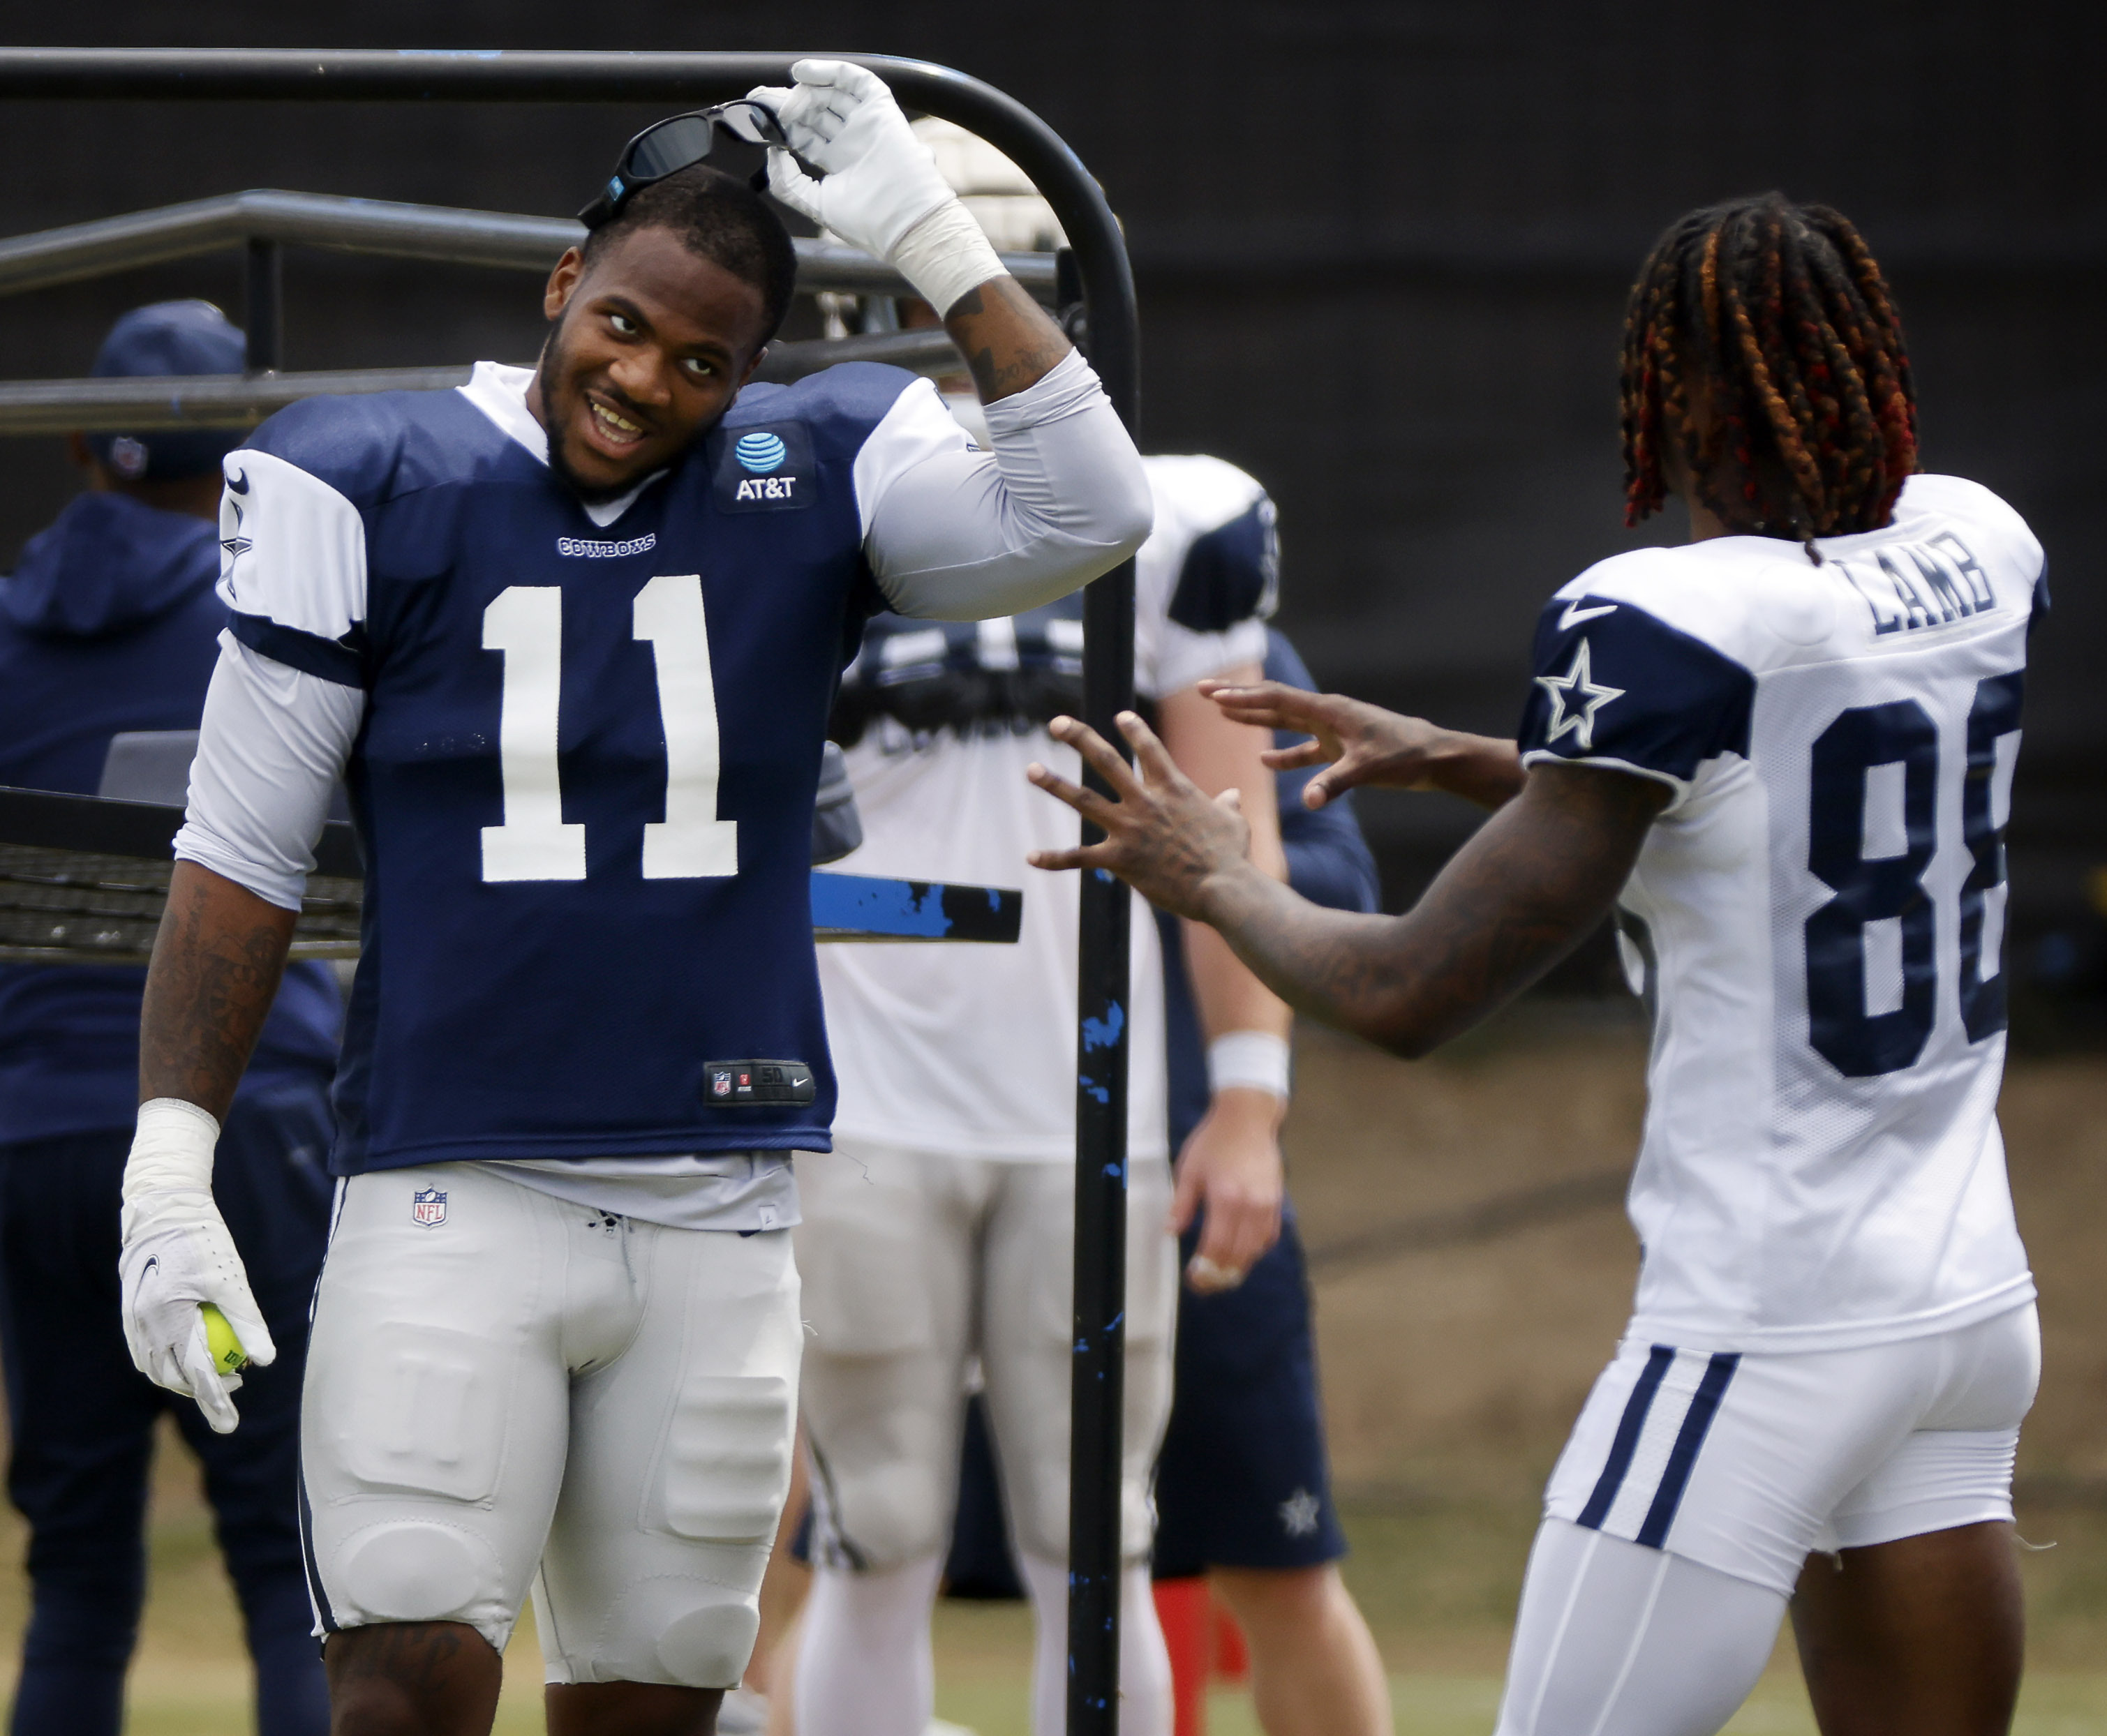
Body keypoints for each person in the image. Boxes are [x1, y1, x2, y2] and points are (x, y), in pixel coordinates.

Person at [117, 61, 1150, 1736]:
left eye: (700, 362)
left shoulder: (821, 460)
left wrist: (924, 235)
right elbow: (238, 846)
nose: (640, 378)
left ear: (749, 376)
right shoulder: (363, 473)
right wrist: (170, 1164)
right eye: (620, 325)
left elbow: (1093, 503)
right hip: (456, 1168)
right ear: (561, 286)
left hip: (716, 1198)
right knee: (400, 1683)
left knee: (658, 1696)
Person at [1027, 193, 2043, 1736]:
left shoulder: (1666, 619)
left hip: (1760, 1322)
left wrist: (1218, 878)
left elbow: (1408, 993)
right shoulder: (1983, 547)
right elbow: (1783, 787)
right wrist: (1487, 759)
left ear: (1684, 396)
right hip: (1965, 1301)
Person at [787, 121, 1294, 1736]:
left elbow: (1228, 826)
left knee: (1103, 1538)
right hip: (857, 1086)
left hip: (1087, 1088)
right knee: (875, 1527)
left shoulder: (1170, 510)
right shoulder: (794, 485)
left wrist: (1251, 1089)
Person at [0, 302, 341, 1736]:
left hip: (36, 1136)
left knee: (77, 1570)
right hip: (237, 1122)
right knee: (291, 1559)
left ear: (82, 444)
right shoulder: (272, 611)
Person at [1152, 626, 1394, 1736]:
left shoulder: (1210, 623)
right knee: (836, 1551)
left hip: (1180, 1156)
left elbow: (1339, 878)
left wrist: (1196, 847)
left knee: (1279, 1558)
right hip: (927, 1153)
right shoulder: (900, 583)